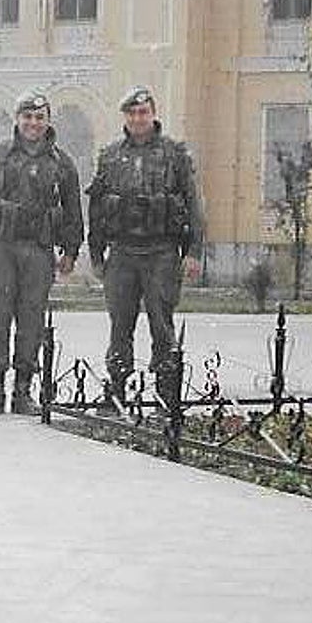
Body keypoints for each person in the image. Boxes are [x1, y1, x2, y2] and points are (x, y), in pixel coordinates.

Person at [0, 91, 84, 416]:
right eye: (27, 117)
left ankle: (23, 392)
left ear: (47, 121)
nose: (33, 123)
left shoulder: (63, 164)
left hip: (38, 249)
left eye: (39, 117)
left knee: (32, 318)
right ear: (18, 119)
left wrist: (71, 252)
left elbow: (73, 212)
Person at [87, 86, 203, 400]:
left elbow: (193, 204)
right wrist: (96, 256)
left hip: (162, 252)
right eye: (132, 113)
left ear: (153, 113)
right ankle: (117, 392)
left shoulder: (174, 154)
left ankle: (166, 397)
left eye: (143, 112)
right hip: (122, 252)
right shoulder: (110, 155)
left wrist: (194, 251)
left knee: (161, 323)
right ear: (125, 116)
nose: (138, 118)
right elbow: (97, 209)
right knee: (119, 323)